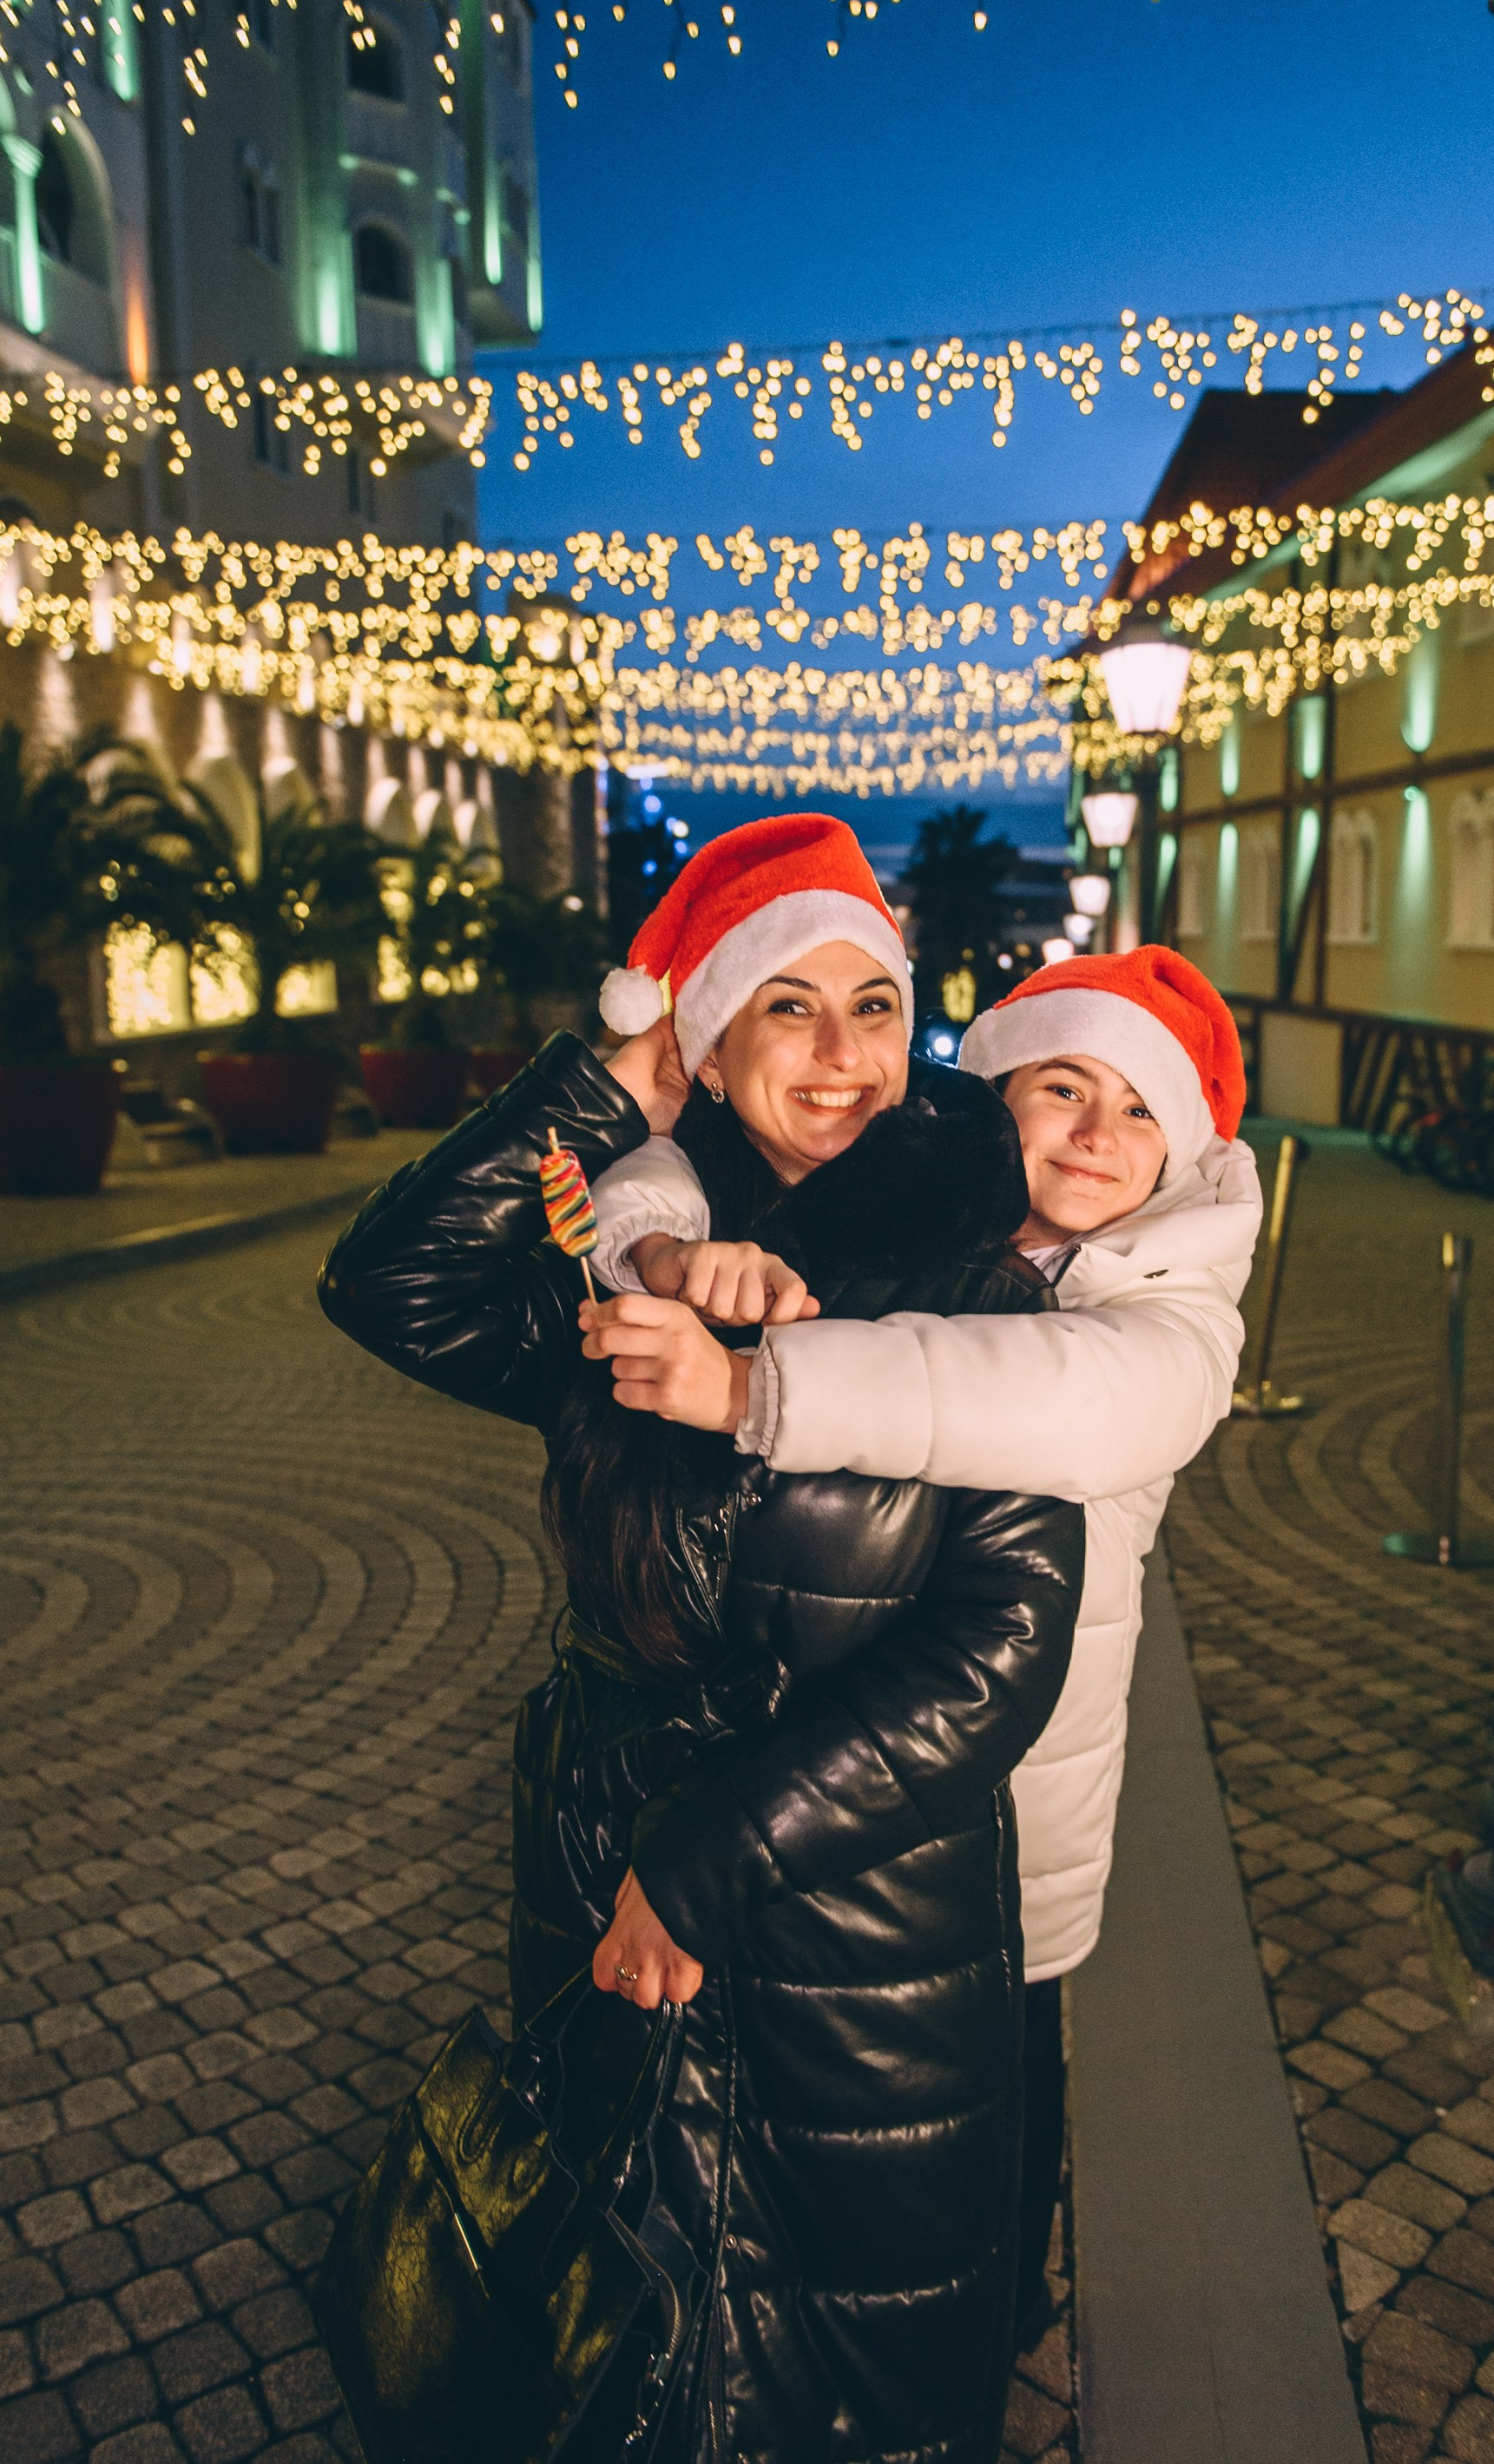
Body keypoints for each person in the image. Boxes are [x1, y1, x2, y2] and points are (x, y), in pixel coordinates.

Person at [316, 814, 1084, 2464]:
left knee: (862, 2358)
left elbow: (997, 1651)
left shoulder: (988, 1277)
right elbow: (389, 1284)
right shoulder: (626, 1267)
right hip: (603, 1868)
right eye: (783, 1009)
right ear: (710, 1043)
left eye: (870, 1007)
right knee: (629, 2321)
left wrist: (708, 1859)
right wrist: (607, 1095)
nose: (836, 1056)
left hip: (864, 1923)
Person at [578, 946, 1262, 2345]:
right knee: (850, 2099)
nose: (1094, 1135)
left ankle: (995, 2311)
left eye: (1140, 1111)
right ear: (985, 1096)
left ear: (1182, 1152)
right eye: (1062, 1086)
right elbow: (681, 1192)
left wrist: (753, 1388)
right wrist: (643, 1209)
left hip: (1011, 1789)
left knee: (996, 2076)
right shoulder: (913, 1217)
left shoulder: (1172, 1308)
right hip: (848, 1771)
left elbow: (1045, 1395)